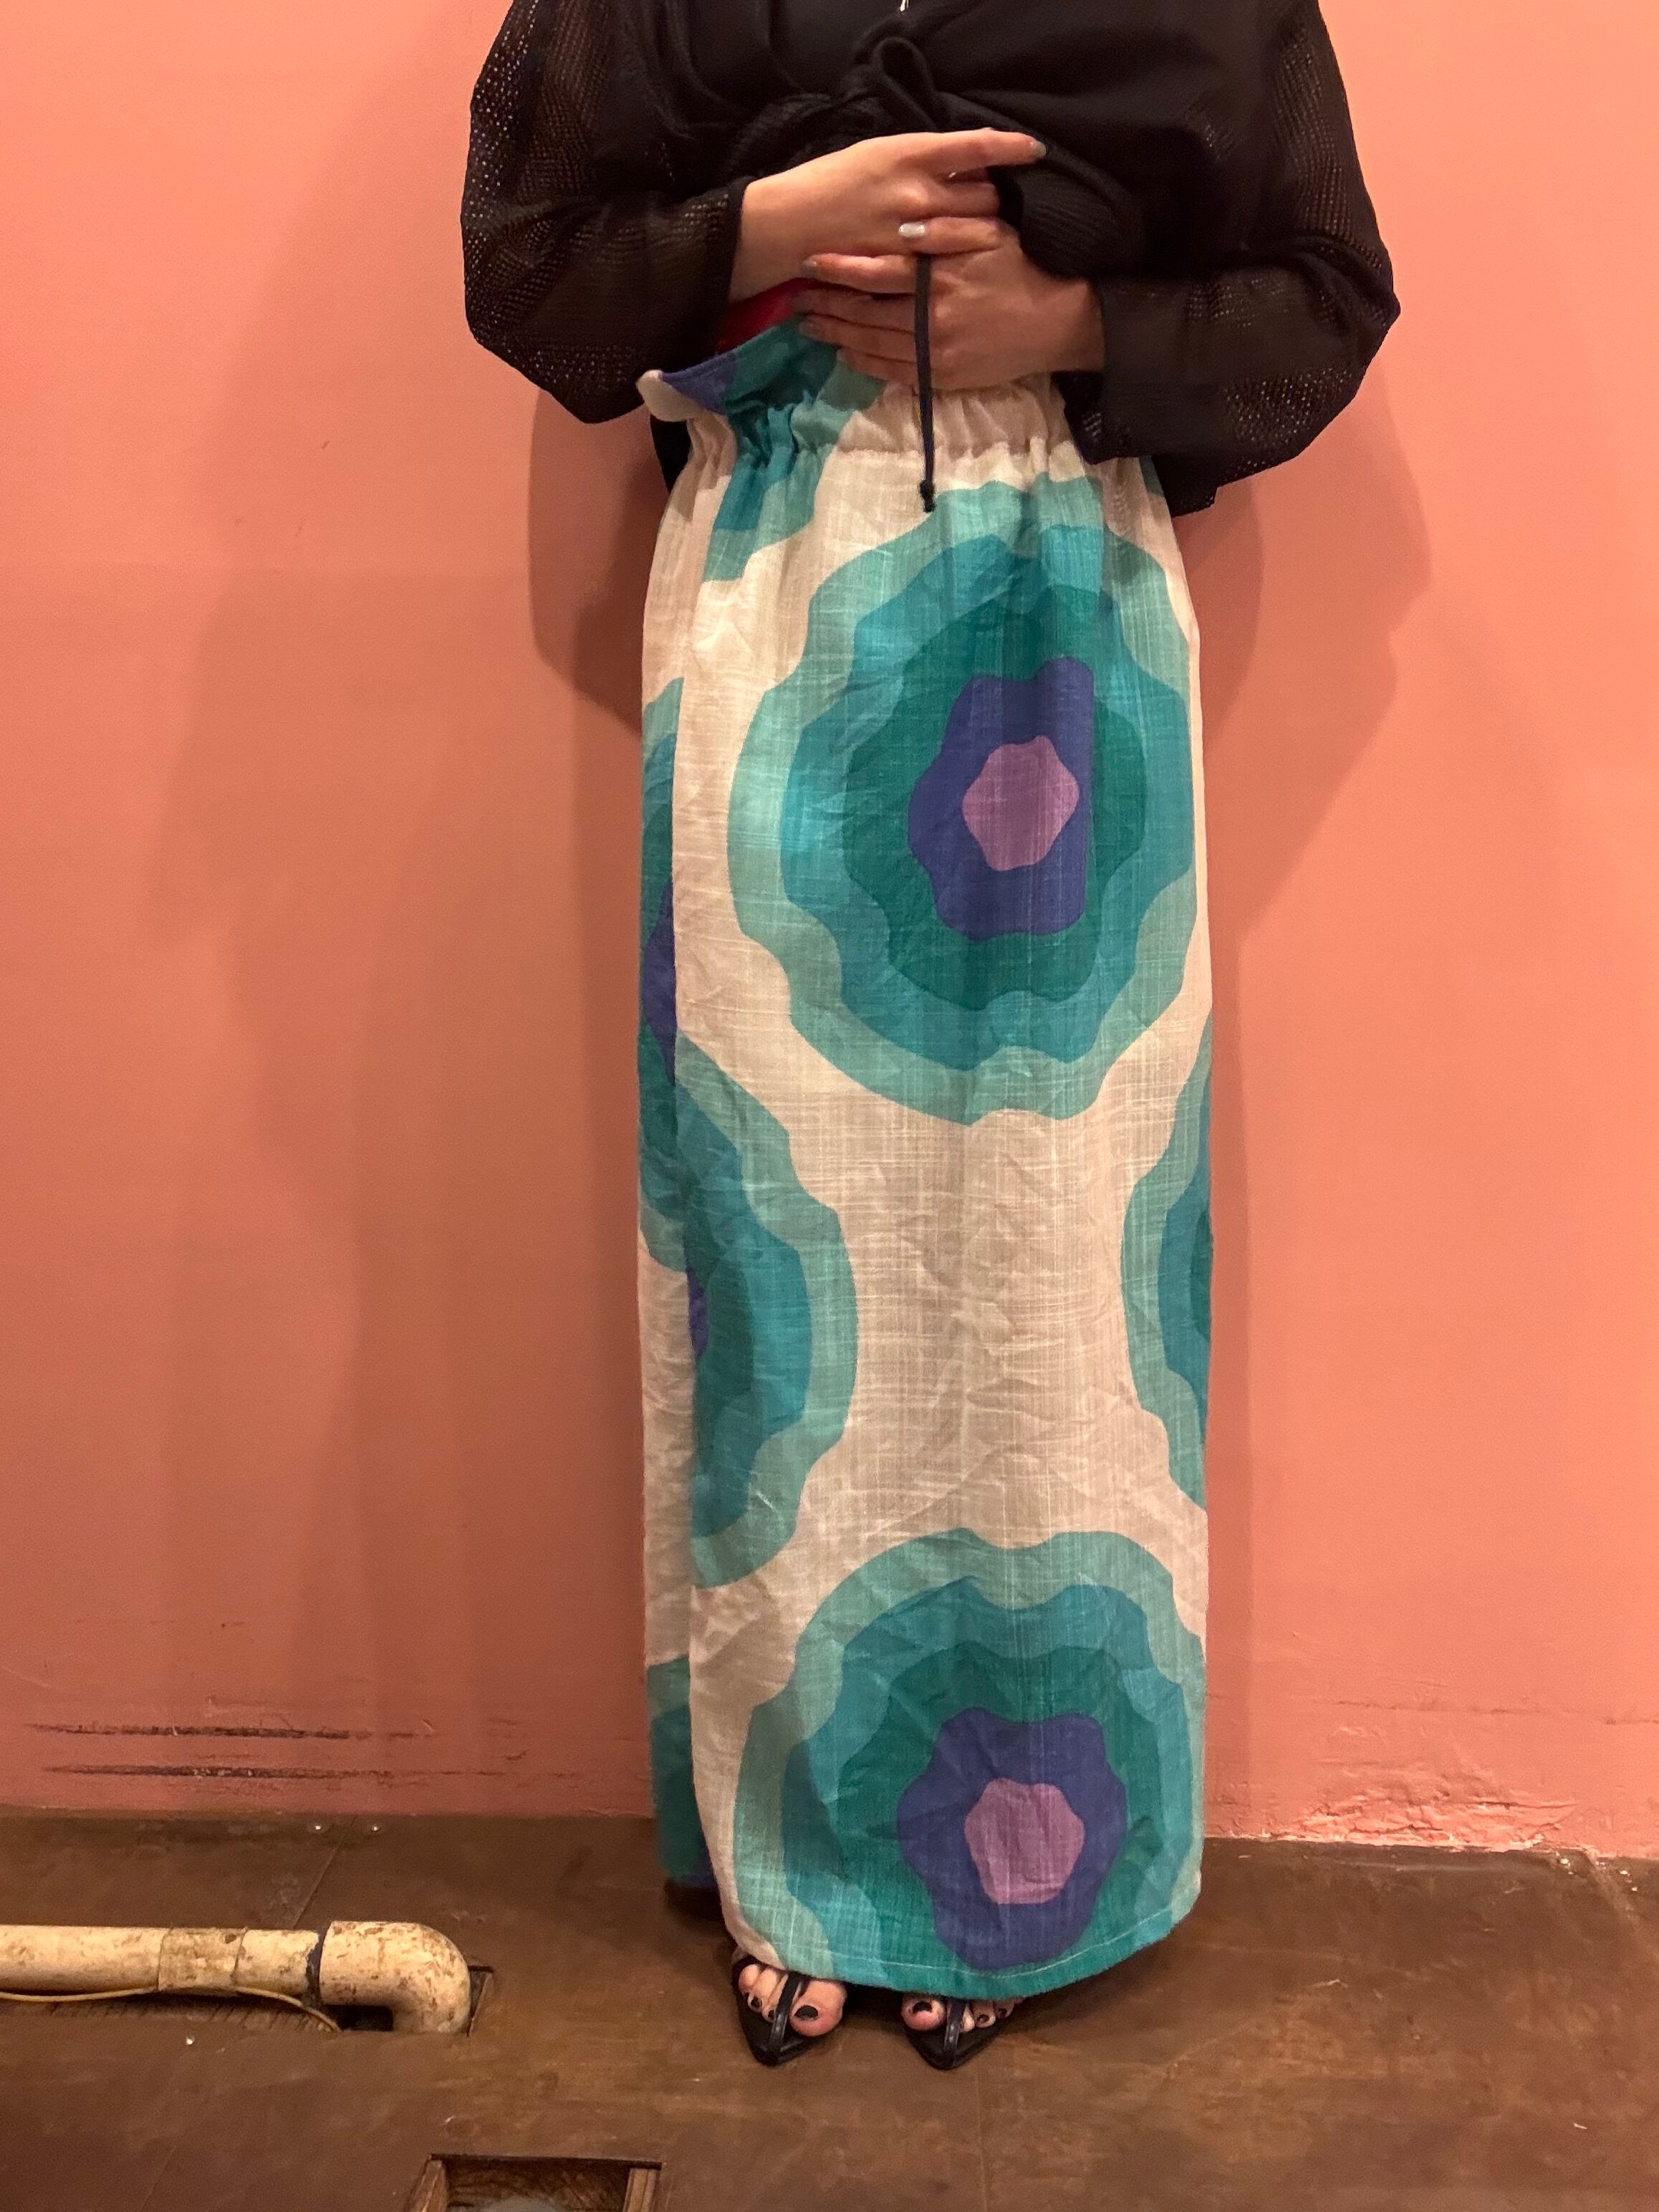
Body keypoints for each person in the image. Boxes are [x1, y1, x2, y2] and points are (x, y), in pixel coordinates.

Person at [461, 0, 1397, 2072]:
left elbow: (1324, 297)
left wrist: (1067, 326)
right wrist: (787, 216)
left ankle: (1026, 1865)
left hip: (1070, 589)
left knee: (1054, 1260)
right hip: (770, 575)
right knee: (781, 1256)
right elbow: (527, 269)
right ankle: (805, 1855)